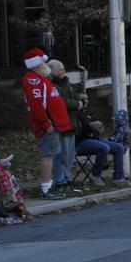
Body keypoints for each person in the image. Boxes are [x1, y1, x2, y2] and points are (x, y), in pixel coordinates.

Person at [22, 48, 71, 199]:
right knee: (48, 156)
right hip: (49, 125)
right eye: (43, 61)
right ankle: (46, 189)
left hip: (55, 124)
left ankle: (51, 185)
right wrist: (45, 123)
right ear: (36, 64)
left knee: (53, 154)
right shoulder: (33, 80)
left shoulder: (42, 78)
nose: (46, 64)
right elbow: (36, 105)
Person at [48, 59, 85, 194]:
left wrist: (79, 97)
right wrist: (77, 104)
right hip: (62, 124)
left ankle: (66, 177)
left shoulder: (65, 83)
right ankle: (59, 180)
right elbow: (61, 102)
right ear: (52, 71)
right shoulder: (52, 85)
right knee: (62, 155)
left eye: (63, 69)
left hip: (72, 123)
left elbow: (71, 95)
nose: (63, 72)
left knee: (70, 154)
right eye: (60, 70)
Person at [75, 110, 129, 187]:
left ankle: (118, 177)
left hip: (95, 139)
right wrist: (90, 126)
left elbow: (94, 128)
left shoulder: (86, 113)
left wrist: (99, 129)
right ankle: (96, 176)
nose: (85, 101)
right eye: (84, 99)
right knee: (104, 147)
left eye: (86, 99)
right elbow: (78, 130)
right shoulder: (75, 114)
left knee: (119, 147)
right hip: (82, 141)